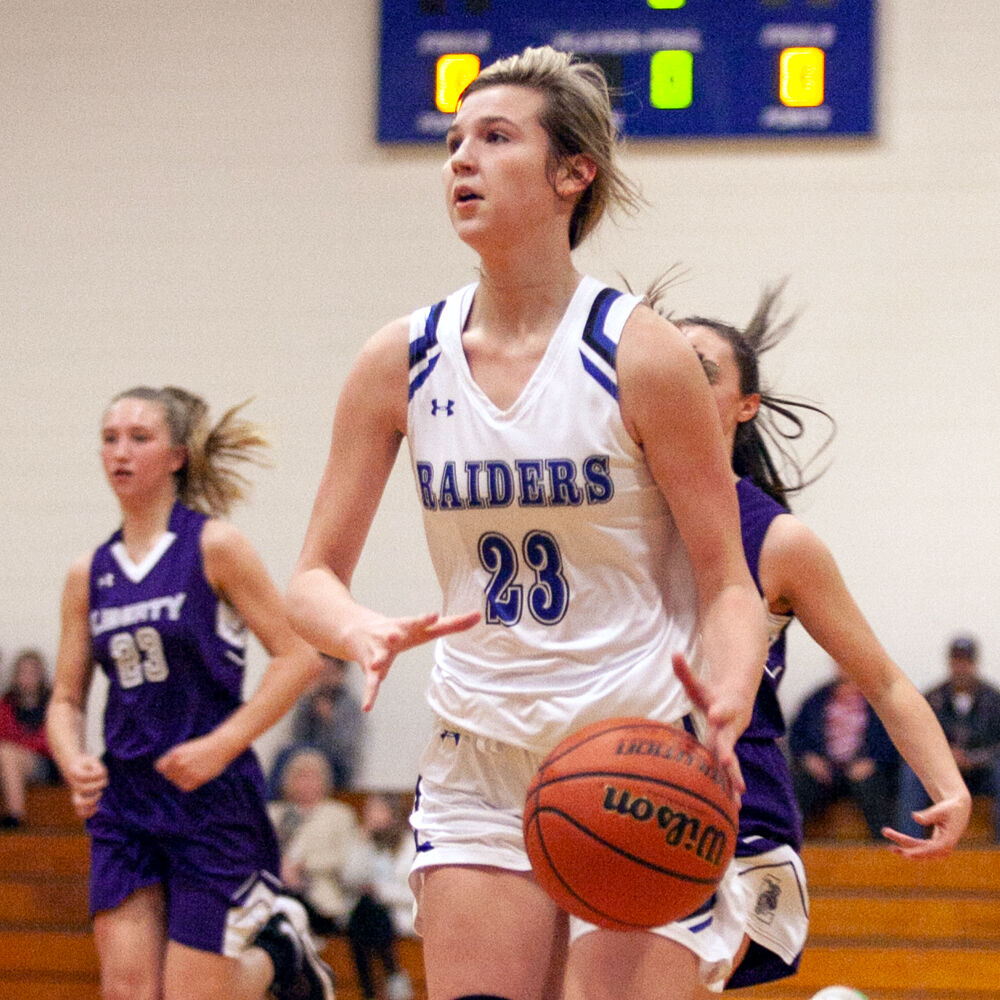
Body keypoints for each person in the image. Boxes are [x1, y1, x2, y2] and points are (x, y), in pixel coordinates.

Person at [286, 45, 768, 1000]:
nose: (459, 159)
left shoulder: (641, 354)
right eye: (454, 140)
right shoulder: (402, 359)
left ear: (571, 173)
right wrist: (362, 630)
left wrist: (732, 691)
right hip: (479, 753)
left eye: (495, 138)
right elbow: (310, 579)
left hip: (631, 752)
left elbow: (727, 584)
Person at [650, 283, 971, 995]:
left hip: (724, 806)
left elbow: (883, 680)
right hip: (599, 775)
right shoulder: (594, 515)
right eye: (659, 360)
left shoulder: (779, 540)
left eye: (698, 368)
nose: (670, 377)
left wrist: (948, 785)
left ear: (745, 406)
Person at [45, 386, 335, 1000]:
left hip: (210, 798)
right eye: (110, 437)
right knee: (128, 992)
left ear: (177, 455)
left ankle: (280, 958)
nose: (120, 451)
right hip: (126, 801)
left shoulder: (215, 546)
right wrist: (71, 758)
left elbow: (298, 657)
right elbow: (66, 699)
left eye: (139, 438)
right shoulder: (87, 574)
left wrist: (223, 744)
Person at [896, 635, 1000, 842]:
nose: (961, 667)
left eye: (966, 661)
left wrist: (973, 758)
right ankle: (908, 842)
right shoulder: (932, 698)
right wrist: (945, 758)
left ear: (974, 664)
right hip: (940, 775)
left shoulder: (994, 699)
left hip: (980, 772)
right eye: (957, 661)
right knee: (911, 774)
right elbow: (917, 739)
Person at [788, 669, 898, 838]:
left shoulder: (878, 699)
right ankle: (786, 841)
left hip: (862, 771)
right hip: (824, 771)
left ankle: (885, 845)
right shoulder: (817, 699)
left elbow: (894, 740)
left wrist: (873, 761)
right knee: (799, 783)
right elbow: (796, 735)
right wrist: (808, 758)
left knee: (872, 787)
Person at [268, 746, 362, 934]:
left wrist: (303, 866)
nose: (307, 783)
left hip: (318, 897)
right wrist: (279, 866)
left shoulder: (339, 814)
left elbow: (346, 858)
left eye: (313, 777)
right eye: (301, 777)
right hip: (275, 889)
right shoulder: (274, 813)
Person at [341, 793, 418, 1000]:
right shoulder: (362, 841)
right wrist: (362, 843)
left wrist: (380, 891)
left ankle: (371, 990)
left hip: (398, 912)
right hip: (364, 913)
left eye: (377, 810)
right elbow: (348, 878)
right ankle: (392, 975)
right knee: (365, 909)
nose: (370, 815)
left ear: (392, 813)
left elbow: (415, 892)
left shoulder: (409, 844)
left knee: (370, 909)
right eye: (368, 810)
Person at [268, 654, 364, 798]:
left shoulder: (350, 705)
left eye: (330, 672)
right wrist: (307, 704)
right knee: (285, 754)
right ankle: (268, 804)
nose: (325, 678)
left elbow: (346, 746)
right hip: (308, 753)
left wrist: (329, 720)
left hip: (337, 763)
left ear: (340, 673)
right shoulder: (310, 700)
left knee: (289, 755)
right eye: (322, 673)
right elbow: (297, 735)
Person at [0, 648, 58, 828]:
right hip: (11, 763)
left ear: (41, 675)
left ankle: (16, 815)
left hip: (46, 765)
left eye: (33, 672)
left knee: (7, 753)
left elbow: (51, 744)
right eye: (23, 672)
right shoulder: (6, 704)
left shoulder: (54, 705)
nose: (28, 677)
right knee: (7, 755)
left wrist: (19, 747)